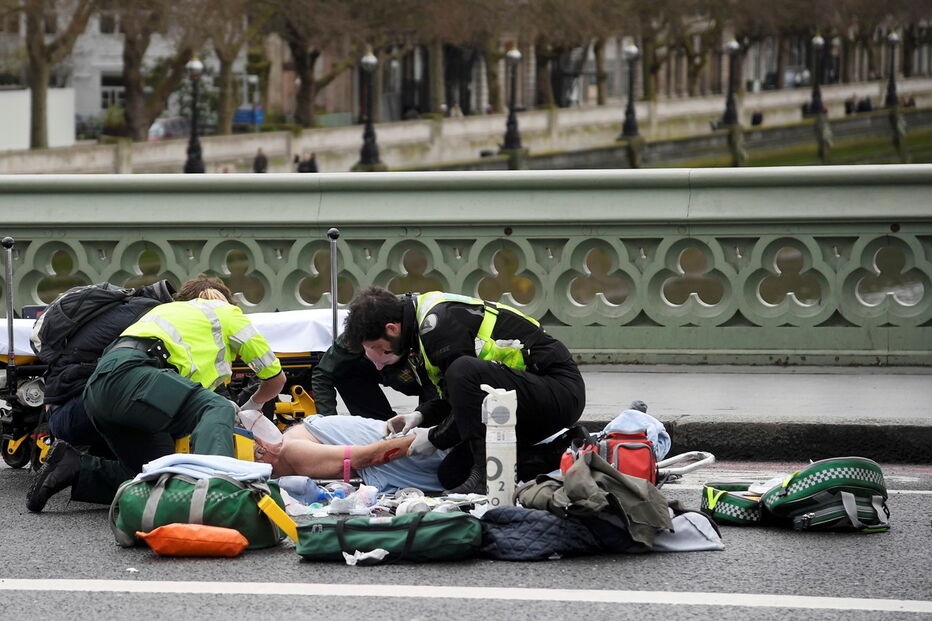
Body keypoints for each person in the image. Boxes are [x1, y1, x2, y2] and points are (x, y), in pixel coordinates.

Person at [26, 277, 286, 513]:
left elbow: (186, 397)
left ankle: (74, 467)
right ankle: (216, 494)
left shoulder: (162, 310)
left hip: (99, 391)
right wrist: (251, 408)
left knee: (162, 473)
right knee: (217, 409)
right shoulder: (225, 312)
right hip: (130, 376)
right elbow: (276, 379)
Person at [342, 288, 586, 495]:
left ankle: (485, 479)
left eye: (377, 348)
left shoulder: (437, 323)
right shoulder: (415, 329)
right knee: (452, 475)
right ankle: (564, 449)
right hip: (518, 398)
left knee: (463, 369)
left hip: (559, 391)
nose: (378, 361)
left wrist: (435, 436)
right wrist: (421, 416)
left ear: (392, 329)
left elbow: (466, 384)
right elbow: (458, 398)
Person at [43, 280, 177, 456]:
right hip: (73, 411)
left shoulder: (134, 306)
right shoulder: (150, 318)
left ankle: (82, 468)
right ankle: (73, 463)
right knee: (158, 432)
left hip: (65, 407)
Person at [255, 414, 446, 493]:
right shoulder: (296, 432)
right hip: (400, 438)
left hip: (414, 450)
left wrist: (434, 437)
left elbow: (367, 457)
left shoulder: (292, 450)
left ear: (263, 448)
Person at [311, 333, 437, 420]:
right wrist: (329, 423)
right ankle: (379, 426)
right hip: (391, 372)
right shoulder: (356, 334)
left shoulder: (426, 333)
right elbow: (323, 374)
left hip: (429, 375)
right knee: (343, 369)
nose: (378, 366)